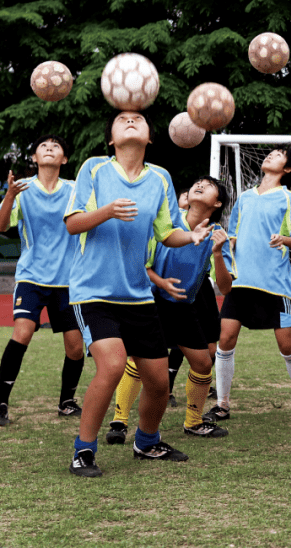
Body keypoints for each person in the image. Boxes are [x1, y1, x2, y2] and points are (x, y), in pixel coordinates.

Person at [64, 111, 210, 477]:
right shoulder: (94, 169)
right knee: (112, 366)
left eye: (139, 119)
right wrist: (107, 211)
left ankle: (147, 442)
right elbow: (72, 223)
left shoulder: (159, 178)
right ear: (112, 139)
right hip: (94, 292)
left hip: (138, 296)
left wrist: (190, 237)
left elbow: (167, 233)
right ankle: (83, 451)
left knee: (159, 382)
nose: (131, 121)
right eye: (121, 119)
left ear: (149, 138)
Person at [105, 177, 234, 444]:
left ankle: (194, 422)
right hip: (152, 301)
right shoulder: (165, 225)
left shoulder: (217, 234)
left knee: (202, 363)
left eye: (208, 186)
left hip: (184, 306)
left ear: (218, 202)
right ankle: (119, 421)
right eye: (197, 182)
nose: (199, 185)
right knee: (139, 363)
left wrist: (218, 253)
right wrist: (162, 282)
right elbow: (144, 265)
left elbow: (225, 286)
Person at [210, 145, 291, 423]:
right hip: (241, 281)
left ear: (288, 168)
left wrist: (284, 239)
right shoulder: (245, 198)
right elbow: (232, 234)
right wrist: (225, 247)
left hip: (274, 284)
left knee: (286, 345)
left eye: (279, 154)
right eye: (269, 153)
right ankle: (222, 403)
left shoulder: (288, 198)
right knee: (226, 338)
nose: (270, 155)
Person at [0, 135, 83, 425]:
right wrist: (9, 195)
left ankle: (67, 402)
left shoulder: (75, 190)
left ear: (64, 159)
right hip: (32, 277)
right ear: (34, 158)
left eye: (56, 146)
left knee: (75, 347)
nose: (49, 148)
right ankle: (0, 403)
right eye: (43, 146)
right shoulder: (22, 191)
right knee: (21, 333)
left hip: (69, 281)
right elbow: (2, 226)